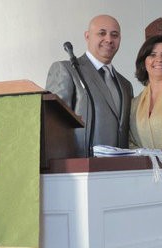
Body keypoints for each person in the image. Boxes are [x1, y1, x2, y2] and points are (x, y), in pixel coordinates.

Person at [46, 15, 133, 157]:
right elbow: (53, 128)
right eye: (102, 33)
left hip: (120, 173)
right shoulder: (67, 69)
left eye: (114, 35)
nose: (109, 39)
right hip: (79, 171)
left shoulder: (126, 85)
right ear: (87, 36)